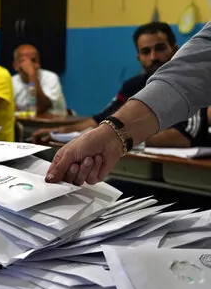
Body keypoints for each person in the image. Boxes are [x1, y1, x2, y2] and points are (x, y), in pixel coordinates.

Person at [45, 22, 211, 186]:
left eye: (159, 48)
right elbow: (101, 119)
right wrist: (60, 132)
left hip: (186, 177)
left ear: (175, 50)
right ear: (138, 57)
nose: (153, 57)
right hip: (141, 171)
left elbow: (184, 135)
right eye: (146, 52)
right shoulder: (132, 86)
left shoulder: (197, 87)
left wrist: (124, 139)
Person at [12, 44, 67, 116]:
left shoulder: (50, 78)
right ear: (16, 66)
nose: (29, 64)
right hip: (25, 123)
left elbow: (41, 107)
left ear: (39, 63)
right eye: (23, 61)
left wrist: (31, 75)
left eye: (33, 60)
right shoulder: (11, 81)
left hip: (53, 123)